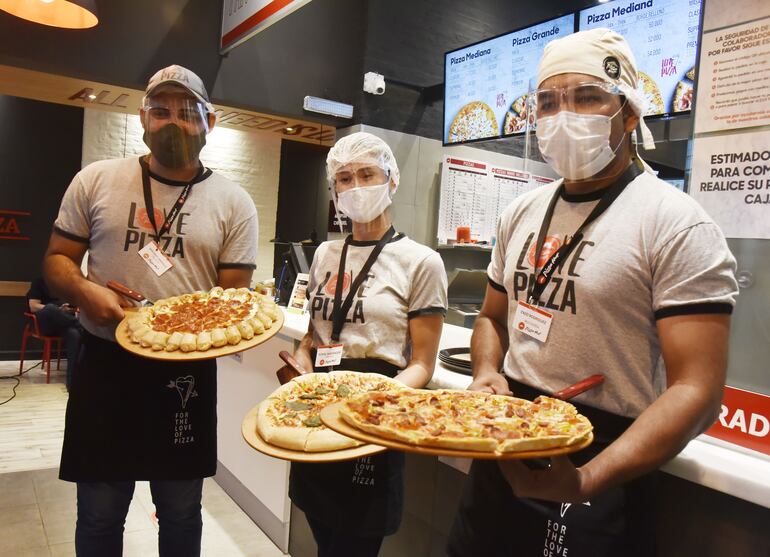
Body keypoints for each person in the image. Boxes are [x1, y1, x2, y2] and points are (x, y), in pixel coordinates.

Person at [447, 29, 739, 557]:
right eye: (547, 102)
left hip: (602, 460)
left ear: (629, 113)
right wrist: (487, 371)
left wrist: (587, 479)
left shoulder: (675, 224)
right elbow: (491, 318)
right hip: (503, 442)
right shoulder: (521, 212)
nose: (563, 116)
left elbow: (697, 391)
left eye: (587, 97)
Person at [43, 65, 258, 557]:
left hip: (184, 374)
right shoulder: (97, 180)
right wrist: (85, 292)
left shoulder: (234, 201)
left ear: (209, 122)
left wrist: (187, 324)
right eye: (160, 111)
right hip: (105, 362)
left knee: (180, 511)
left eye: (187, 113)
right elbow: (56, 260)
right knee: (99, 512)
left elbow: (233, 300)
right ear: (142, 117)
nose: (173, 123)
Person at [287, 132, 448, 557]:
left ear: (391, 179)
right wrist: (302, 356)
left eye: (366, 174)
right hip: (317, 409)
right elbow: (315, 332)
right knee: (323, 534)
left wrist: (373, 401)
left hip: (375, 413)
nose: (355, 186)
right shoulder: (325, 253)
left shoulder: (421, 261)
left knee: (355, 542)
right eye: (344, 178)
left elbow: (422, 364)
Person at [26, 276, 82, 388]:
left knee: (74, 334)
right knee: (51, 308)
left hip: (63, 322)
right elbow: (33, 306)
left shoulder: (65, 284)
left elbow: (73, 306)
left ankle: (72, 383)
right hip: (45, 323)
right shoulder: (39, 281)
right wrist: (57, 309)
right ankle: (80, 326)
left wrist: (68, 309)